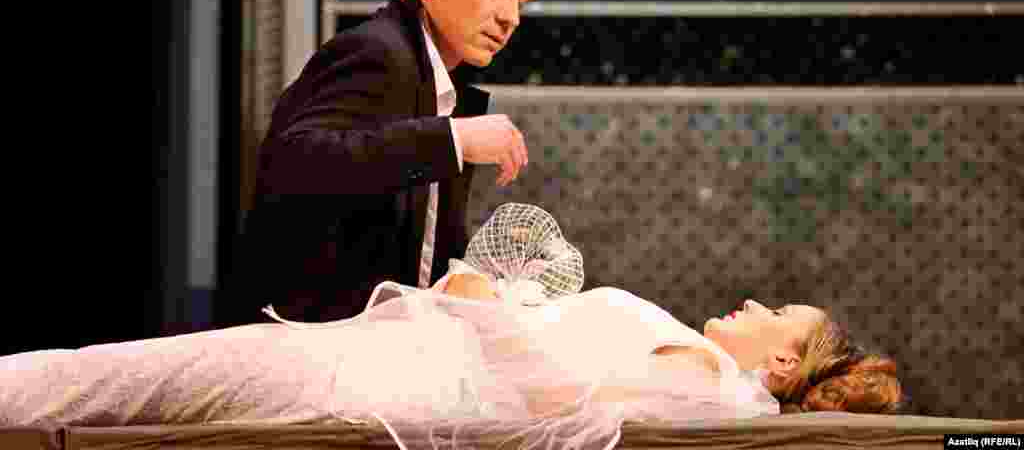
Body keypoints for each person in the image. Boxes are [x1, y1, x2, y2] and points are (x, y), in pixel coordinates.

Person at [0, 267, 902, 450]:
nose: (754, 305)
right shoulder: (703, 368)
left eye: (776, 316)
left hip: (377, 380)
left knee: (110, 380)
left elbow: (563, 402)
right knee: (110, 380)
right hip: (386, 361)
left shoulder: (707, 382)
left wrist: (484, 306)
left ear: (782, 365)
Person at [218, 0, 555, 326]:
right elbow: (294, 162)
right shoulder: (377, 50)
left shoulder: (440, 82)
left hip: (388, 338)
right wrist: (455, 139)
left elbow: (414, 249)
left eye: (521, 0)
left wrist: (476, 279)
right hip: (307, 338)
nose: (512, 18)